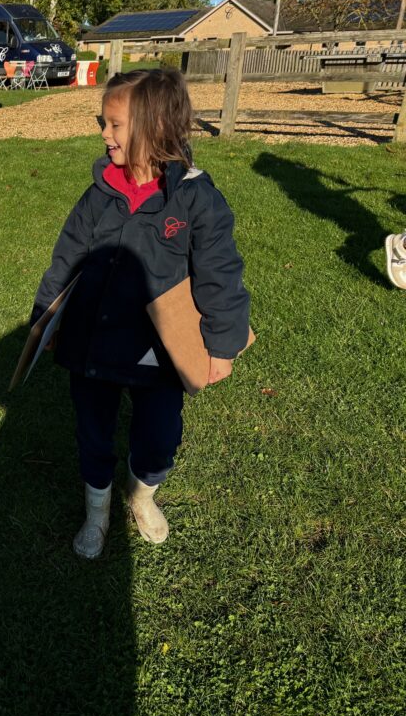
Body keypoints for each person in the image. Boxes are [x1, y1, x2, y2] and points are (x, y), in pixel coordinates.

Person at [28, 69, 251, 559]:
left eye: (115, 125)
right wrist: (45, 320)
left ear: (156, 126)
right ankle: (97, 509)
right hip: (93, 342)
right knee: (92, 432)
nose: (103, 135)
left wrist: (223, 345)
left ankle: (142, 494)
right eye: (101, 124)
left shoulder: (196, 199)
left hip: (158, 351)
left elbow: (220, 274)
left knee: (159, 438)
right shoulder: (98, 193)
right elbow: (65, 259)